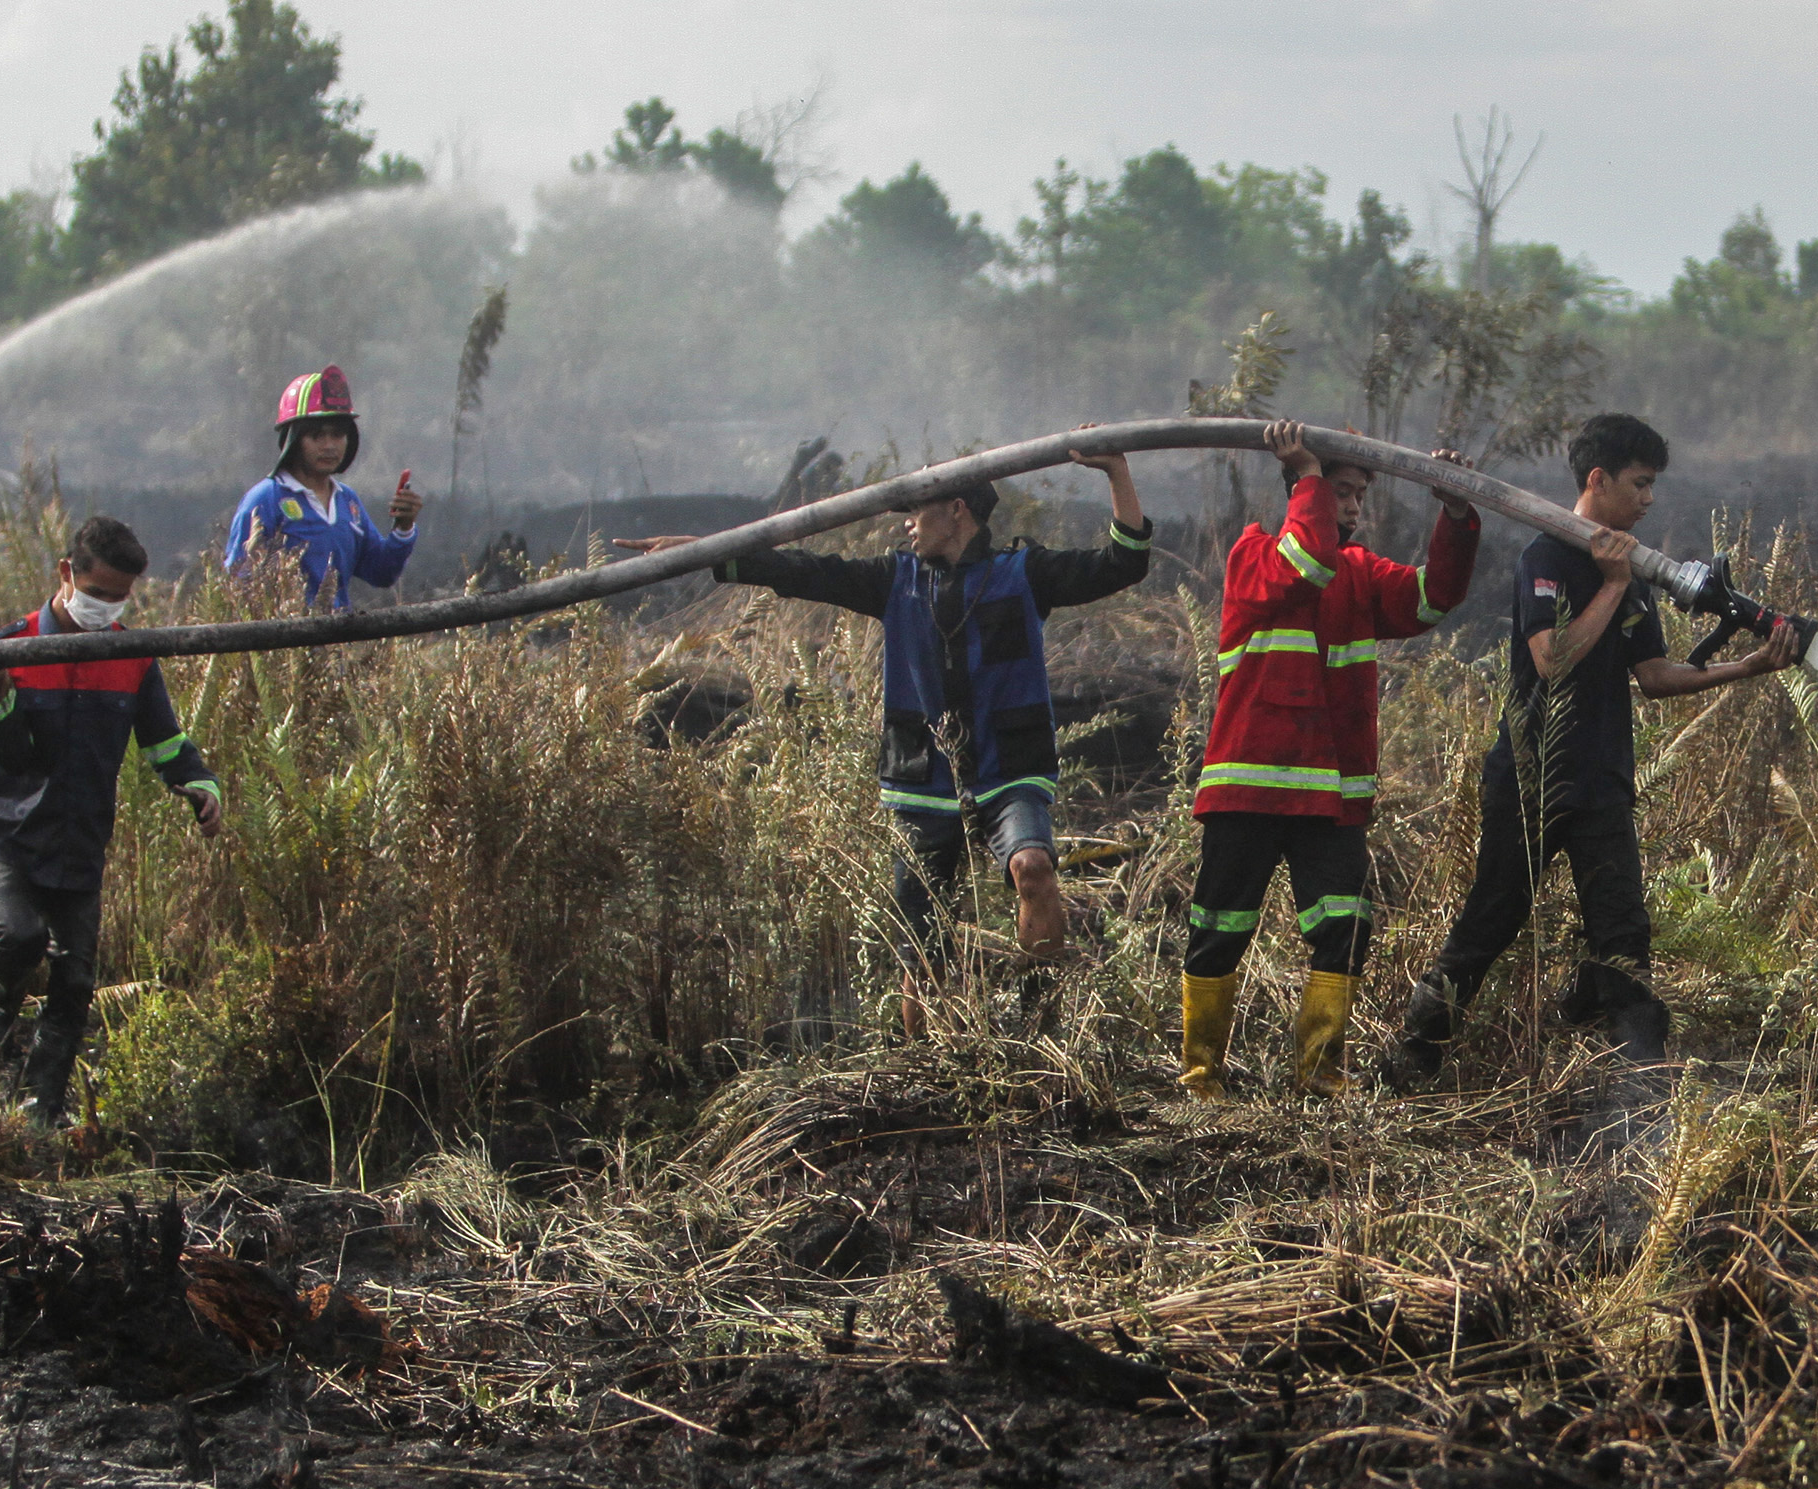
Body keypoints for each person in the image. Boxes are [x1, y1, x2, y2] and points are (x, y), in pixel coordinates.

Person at [623, 438, 1151, 972]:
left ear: (956, 510)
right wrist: (699, 552)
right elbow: (797, 570)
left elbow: (1122, 564)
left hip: (1008, 769)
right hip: (922, 776)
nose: (907, 524)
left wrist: (1115, 472)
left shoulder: (1024, 574)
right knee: (921, 941)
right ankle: (923, 1049)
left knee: (1034, 866)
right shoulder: (894, 580)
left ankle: (1041, 1011)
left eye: (917, 510)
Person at [1390, 412, 1798, 1079]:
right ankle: (1414, 1057)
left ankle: (1641, 1088)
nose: (1649, 499)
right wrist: (1609, 584)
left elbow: (1656, 675)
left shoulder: (1633, 573)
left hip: (1601, 779)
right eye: (1639, 484)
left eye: (1653, 486)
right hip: (1533, 774)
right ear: (1598, 479)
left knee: (1623, 934)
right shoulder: (1545, 559)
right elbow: (1553, 659)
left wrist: (1746, 668)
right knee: (1493, 917)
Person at [1180, 419, 1480, 1099]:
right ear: (1302, 493)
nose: (1350, 507)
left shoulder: (1363, 575)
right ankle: (1201, 1076)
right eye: (1339, 492)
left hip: (1330, 800)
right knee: (1219, 928)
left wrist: (1455, 512)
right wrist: (1309, 473)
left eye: (1357, 495)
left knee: (1344, 928)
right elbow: (1305, 564)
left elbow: (1433, 598)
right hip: (1247, 793)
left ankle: (1320, 1073)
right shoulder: (1254, 558)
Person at [0, 514, 224, 1130]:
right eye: (97, 595)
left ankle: (40, 1113)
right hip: (5, 834)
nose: (106, 608)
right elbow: (11, 756)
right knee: (17, 936)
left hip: (78, 841)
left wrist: (199, 786)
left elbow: (164, 741)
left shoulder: (130, 657)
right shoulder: (10, 647)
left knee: (74, 982)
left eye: (120, 598)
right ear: (67, 574)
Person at [224, 364, 424, 610]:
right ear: (293, 440)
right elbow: (238, 585)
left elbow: (381, 573)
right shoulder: (265, 499)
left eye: (338, 435)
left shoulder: (347, 502)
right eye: (317, 435)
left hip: (335, 644)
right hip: (282, 643)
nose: (329, 445)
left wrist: (404, 528)